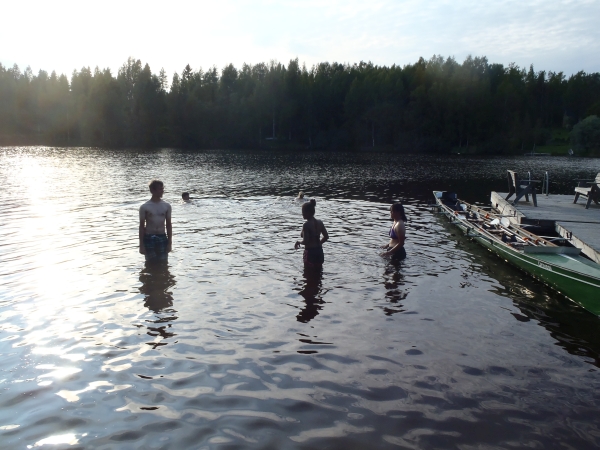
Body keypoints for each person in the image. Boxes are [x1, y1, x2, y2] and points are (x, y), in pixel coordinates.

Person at [139, 180, 172, 261]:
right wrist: (141, 245)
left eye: (163, 189)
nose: (162, 191)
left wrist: (170, 243)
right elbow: (141, 226)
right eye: (160, 189)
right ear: (152, 190)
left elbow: (168, 225)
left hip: (162, 236)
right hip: (149, 237)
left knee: (164, 263)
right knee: (150, 262)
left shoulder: (166, 206)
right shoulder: (144, 207)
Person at [294, 199, 329, 267]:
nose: (302, 214)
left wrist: (298, 242)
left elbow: (306, 241)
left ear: (308, 213)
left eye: (303, 212)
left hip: (310, 253)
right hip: (319, 251)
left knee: (308, 274)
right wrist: (319, 243)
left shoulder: (306, 225)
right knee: (319, 273)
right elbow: (326, 237)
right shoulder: (320, 222)